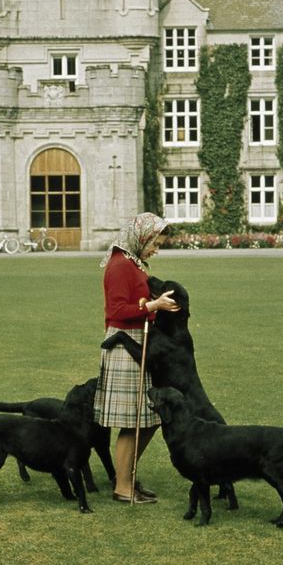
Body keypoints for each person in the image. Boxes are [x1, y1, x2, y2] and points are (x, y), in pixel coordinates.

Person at [93, 212, 180, 504]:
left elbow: (134, 302)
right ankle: (123, 486)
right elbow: (117, 312)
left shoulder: (132, 263)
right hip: (124, 344)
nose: (157, 249)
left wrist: (153, 306)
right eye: (155, 243)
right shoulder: (120, 265)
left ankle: (126, 478)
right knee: (134, 421)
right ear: (140, 237)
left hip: (138, 342)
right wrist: (153, 304)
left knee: (148, 418)